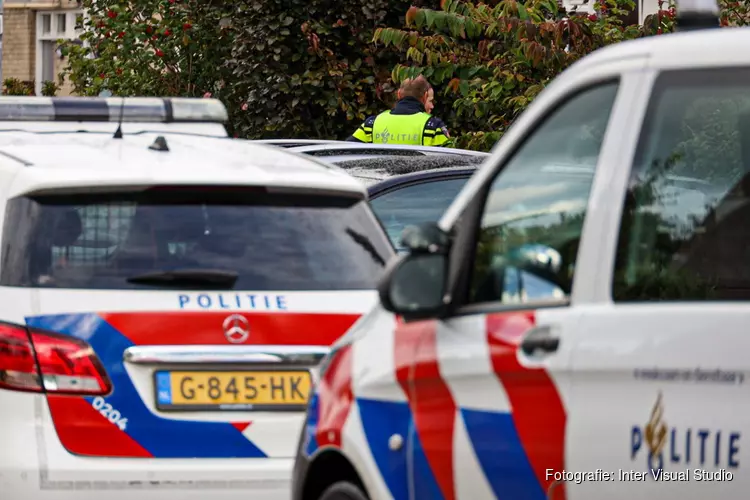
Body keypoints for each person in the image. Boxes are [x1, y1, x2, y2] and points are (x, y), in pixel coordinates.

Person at [347, 75, 451, 146]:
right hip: (420, 178)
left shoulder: (371, 124)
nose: (432, 106)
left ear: (399, 94)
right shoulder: (433, 127)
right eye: (430, 101)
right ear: (424, 96)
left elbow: (346, 151)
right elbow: (453, 162)